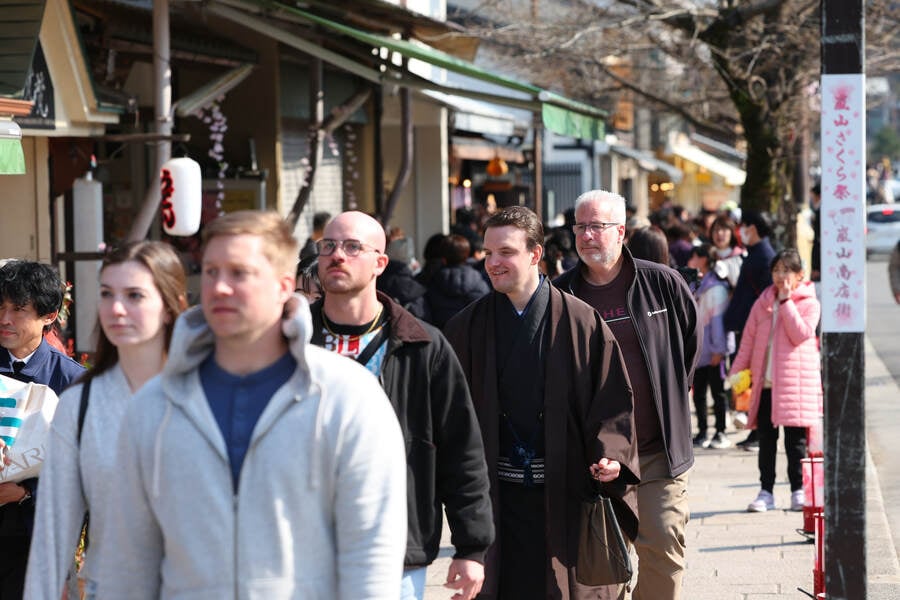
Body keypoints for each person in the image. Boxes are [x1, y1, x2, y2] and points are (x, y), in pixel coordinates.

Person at [98, 211, 407, 598]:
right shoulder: (154, 406)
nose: (220, 287)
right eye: (211, 272)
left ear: (283, 287)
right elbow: (127, 561)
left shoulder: (346, 397)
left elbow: (371, 553)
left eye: (239, 273)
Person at [444, 205, 639, 600]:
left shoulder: (581, 321)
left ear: (535, 254)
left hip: (565, 490)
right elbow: (448, 413)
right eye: (488, 253)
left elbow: (612, 400)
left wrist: (611, 455)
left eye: (506, 252)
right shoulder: (467, 326)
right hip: (495, 493)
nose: (493, 263)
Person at [310, 211, 493, 600]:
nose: (337, 255)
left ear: (380, 263)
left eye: (352, 246)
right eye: (328, 246)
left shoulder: (423, 345)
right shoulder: (289, 341)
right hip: (301, 546)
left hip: (392, 550)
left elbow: (462, 451)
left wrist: (471, 547)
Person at [554, 190, 699, 600]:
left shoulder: (661, 283)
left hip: (658, 451)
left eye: (596, 226)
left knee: (664, 548)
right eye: (580, 227)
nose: (586, 236)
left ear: (620, 231)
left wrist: (671, 401)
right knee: (602, 566)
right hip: (595, 458)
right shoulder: (561, 296)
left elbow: (689, 346)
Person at [24, 241, 188, 600]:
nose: (116, 308)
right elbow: (53, 530)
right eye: (106, 294)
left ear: (170, 306)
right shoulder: (81, 402)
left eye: (134, 295)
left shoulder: (206, 395)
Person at [0, 260, 86, 599]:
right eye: (0, 307)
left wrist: (26, 492)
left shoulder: (71, 381)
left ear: (49, 316)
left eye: (18, 309)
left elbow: (86, 470)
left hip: (35, 539)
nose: (5, 319)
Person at [729, 249, 822, 513]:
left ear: (800, 275)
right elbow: (748, 340)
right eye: (776, 270)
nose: (781, 276)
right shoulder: (762, 302)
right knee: (766, 441)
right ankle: (766, 491)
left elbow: (800, 334)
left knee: (795, 443)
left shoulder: (810, 303)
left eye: (786, 270)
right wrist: (736, 373)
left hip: (795, 386)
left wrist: (787, 301)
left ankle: (798, 491)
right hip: (766, 384)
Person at [724, 210, 776, 452]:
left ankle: (758, 433)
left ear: (752, 227)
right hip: (748, 327)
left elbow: (765, 298)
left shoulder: (763, 256)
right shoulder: (757, 253)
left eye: (743, 226)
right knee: (749, 380)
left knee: (754, 381)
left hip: (754, 329)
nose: (740, 231)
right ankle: (754, 431)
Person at [687, 244, 734, 449]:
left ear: (703, 259)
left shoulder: (715, 288)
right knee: (699, 393)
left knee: (717, 393)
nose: (689, 261)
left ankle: (720, 431)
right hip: (699, 351)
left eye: (693, 257)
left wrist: (719, 350)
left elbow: (718, 323)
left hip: (712, 351)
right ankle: (702, 431)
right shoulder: (696, 285)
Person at [424, 234, 490, 328]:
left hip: (442, 333)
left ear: (443, 258)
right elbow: (485, 310)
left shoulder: (433, 282)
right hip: (473, 333)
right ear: (466, 255)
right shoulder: (477, 280)